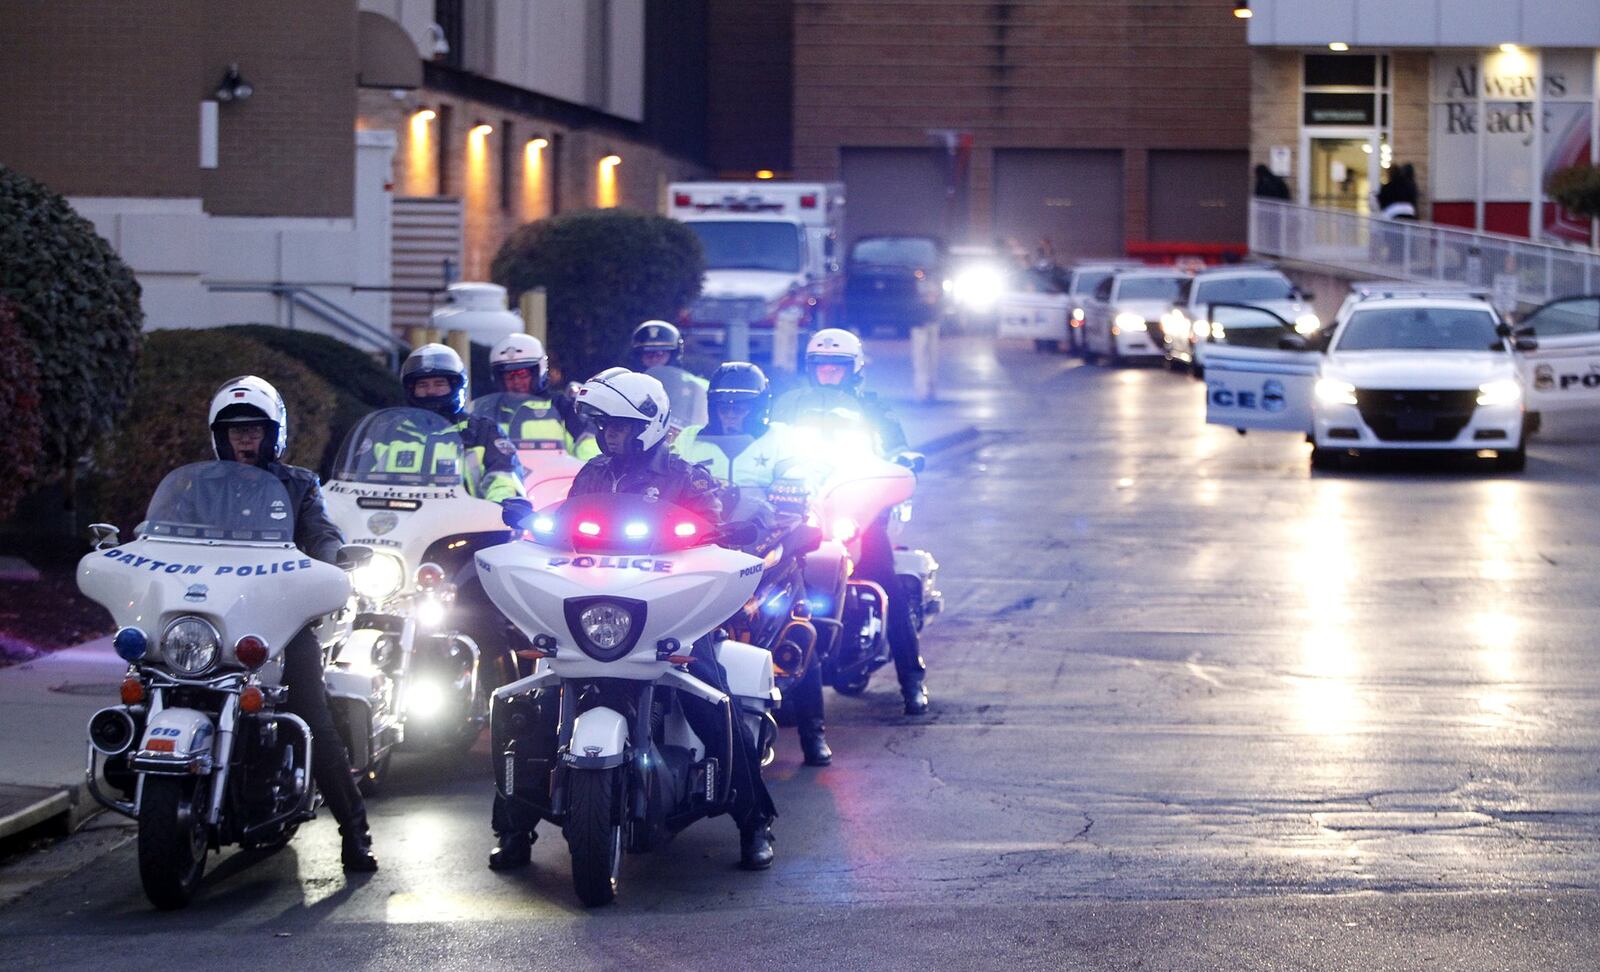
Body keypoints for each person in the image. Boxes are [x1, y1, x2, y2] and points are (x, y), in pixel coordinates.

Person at [489, 370, 779, 872]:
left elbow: (722, 523)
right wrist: (532, 519)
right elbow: (560, 523)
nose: (609, 435)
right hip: (598, 612)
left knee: (714, 699)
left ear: (648, 424)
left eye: (619, 426)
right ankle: (513, 830)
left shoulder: (686, 477)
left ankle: (754, 822)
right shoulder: (594, 474)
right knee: (536, 702)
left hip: (673, 617)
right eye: (603, 425)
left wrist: (743, 524)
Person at [206, 376, 378, 872]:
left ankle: (354, 830)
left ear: (272, 433)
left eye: (254, 429)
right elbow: (166, 533)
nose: (244, 439)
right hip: (212, 619)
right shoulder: (201, 486)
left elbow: (322, 531)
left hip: (278, 621)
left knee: (309, 712)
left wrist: (328, 560)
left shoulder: (299, 484)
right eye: (234, 430)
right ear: (219, 435)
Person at [674, 364, 832, 767]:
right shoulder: (689, 441)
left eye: (741, 404)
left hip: (769, 543)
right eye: (723, 403)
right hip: (703, 548)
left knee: (798, 626)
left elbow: (803, 477)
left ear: (759, 406)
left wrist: (794, 486)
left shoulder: (783, 439)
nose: (731, 411)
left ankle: (813, 732)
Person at [771, 329, 930, 716]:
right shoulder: (788, 407)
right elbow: (767, 445)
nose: (827, 373)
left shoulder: (874, 410)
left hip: (856, 510)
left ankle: (912, 680)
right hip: (799, 510)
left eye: (836, 367)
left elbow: (896, 449)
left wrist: (903, 459)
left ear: (853, 369)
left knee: (885, 582)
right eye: (820, 367)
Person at [396, 343, 529, 688]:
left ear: (457, 387)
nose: (430, 392)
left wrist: (503, 508)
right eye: (422, 386)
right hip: (402, 541)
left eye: (439, 384)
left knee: (482, 617)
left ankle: (501, 698)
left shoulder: (481, 432)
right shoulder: (394, 433)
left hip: (461, 541)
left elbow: (501, 478)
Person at [480, 333, 592, 456]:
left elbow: (586, 444)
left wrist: (591, 466)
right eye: (508, 376)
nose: (516, 382)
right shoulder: (487, 412)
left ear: (538, 372)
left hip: (555, 474)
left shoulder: (561, 406)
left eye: (523, 374)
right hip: (500, 475)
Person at [630, 320, 708, 432]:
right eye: (648, 354)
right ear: (638, 356)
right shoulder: (629, 385)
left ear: (674, 355)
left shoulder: (694, 386)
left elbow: (703, 422)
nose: (654, 359)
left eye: (660, 354)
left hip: (681, 440)